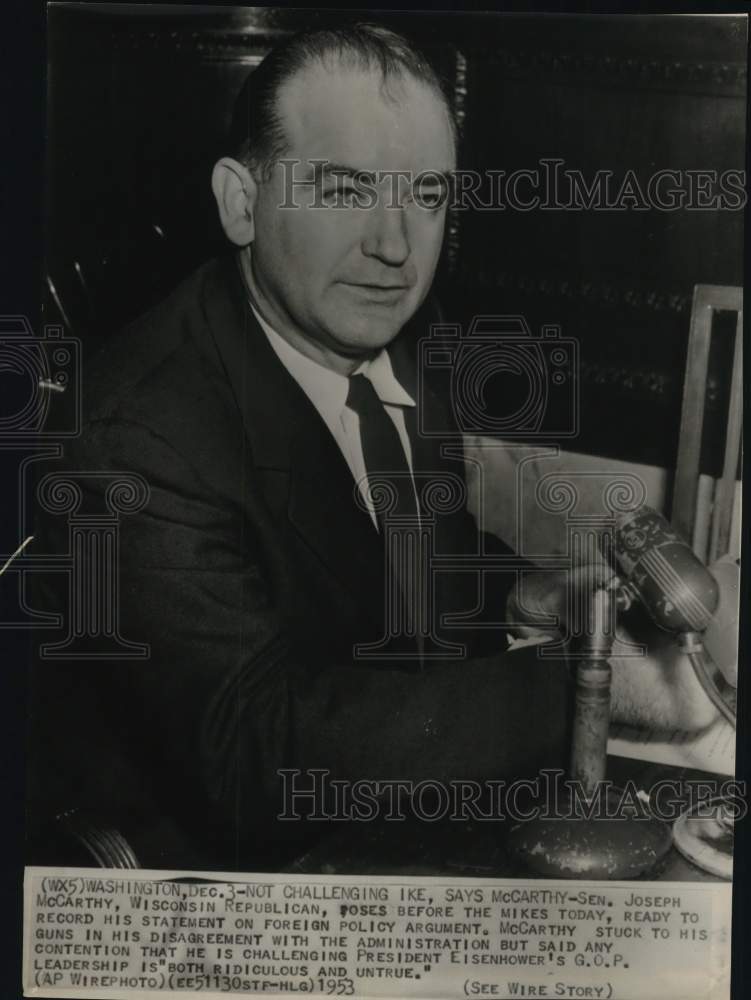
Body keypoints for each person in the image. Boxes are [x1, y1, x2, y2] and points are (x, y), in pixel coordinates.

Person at [30, 23, 718, 870]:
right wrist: (593, 683)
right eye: (345, 189)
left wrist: (519, 597)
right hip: (224, 881)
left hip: (401, 812)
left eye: (426, 196)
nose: (394, 247)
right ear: (240, 202)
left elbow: (380, 568)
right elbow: (257, 764)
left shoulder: (383, 331)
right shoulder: (135, 439)